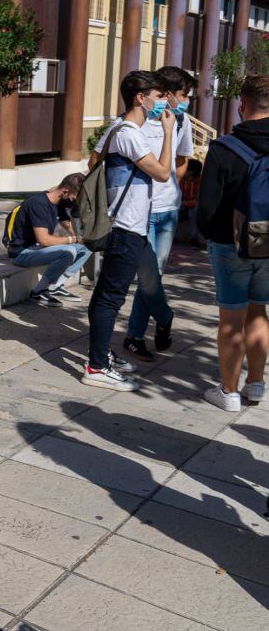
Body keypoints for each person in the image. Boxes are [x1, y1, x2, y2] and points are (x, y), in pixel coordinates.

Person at [92, 66, 193, 363]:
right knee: (122, 290)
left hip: (160, 209)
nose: (169, 101)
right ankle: (100, 360)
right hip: (129, 219)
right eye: (162, 95)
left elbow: (175, 165)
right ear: (143, 97)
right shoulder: (127, 130)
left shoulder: (178, 121)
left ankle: (127, 340)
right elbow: (160, 171)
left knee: (143, 280)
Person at [197, 75, 269, 411]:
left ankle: (228, 392)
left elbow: (207, 210)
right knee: (259, 312)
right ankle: (255, 384)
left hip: (232, 243)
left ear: (242, 104)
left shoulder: (225, 148)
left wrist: (210, 236)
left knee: (231, 319)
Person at [6, 173, 91, 306]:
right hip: (22, 253)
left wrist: (81, 239)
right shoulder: (38, 204)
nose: (75, 202)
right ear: (65, 191)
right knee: (68, 251)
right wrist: (73, 239)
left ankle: (56, 286)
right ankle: (38, 291)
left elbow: (65, 222)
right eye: (75, 198)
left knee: (87, 246)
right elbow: (44, 240)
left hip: (39, 249)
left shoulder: (58, 201)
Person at [180, 158, 204, 248]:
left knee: (195, 211)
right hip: (181, 204)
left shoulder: (201, 181)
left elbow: (200, 200)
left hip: (193, 205)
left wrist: (186, 203)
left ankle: (194, 238)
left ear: (190, 172)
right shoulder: (180, 179)